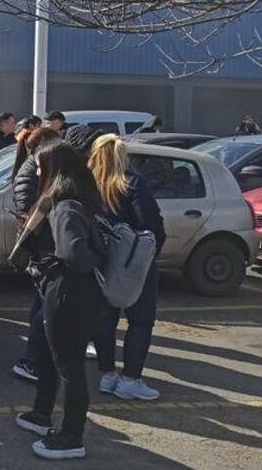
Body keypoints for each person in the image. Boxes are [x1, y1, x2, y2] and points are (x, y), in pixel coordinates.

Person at [14, 142, 107, 461]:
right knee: (47, 353)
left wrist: (57, 261)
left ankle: (71, 436)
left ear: (55, 169)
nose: (37, 172)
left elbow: (75, 254)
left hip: (68, 291)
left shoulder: (65, 206)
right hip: (67, 290)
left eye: (41, 167)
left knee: (69, 366)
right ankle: (42, 414)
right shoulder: (80, 200)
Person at [89, 134, 166, 402]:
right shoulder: (133, 184)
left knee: (105, 320)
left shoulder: (88, 186)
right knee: (140, 320)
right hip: (134, 261)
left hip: (101, 261)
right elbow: (151, 225)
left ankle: (107, 374)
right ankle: (131, 379)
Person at [10, 127, 63, 383]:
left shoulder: (40, 169)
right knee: (44, 306)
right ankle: (32, 360)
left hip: (43, 247)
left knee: (42, 303)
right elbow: (27, 211)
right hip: (41, 248)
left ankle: (38, 356)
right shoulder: (31, 171)